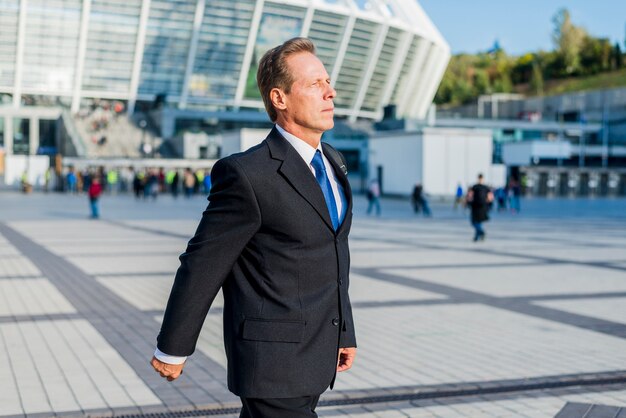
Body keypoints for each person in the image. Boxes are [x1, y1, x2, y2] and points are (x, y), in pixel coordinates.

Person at [150, 37, 356, 418]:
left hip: (316, 356)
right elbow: (203, 263)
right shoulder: (248, 174)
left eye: (327, 81)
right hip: (272, 364)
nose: (331, 92)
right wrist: (173, 347)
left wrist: (344, 331)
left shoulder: (333, 161)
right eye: (315, 84)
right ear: (279, 99)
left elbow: (332, 253)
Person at [466, 173, 494, 241]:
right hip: (481, 206)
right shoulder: (485, 187)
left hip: (477, 206)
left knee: (475, 221)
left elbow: (469, 196)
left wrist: (468, 202)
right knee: (477, 221)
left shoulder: (475, 187)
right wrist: (490, 204)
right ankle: (478, 235)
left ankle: (480, 233)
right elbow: (490, 197)